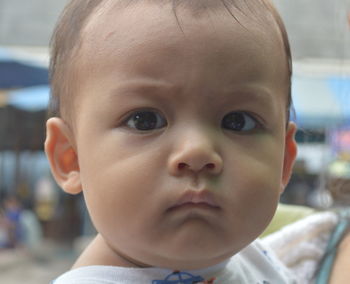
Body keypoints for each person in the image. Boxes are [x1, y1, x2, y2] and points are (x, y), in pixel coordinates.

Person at [45, 0, 298, 283]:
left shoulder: (265, 264)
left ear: (284, 162)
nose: (197, 151)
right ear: (71, 158)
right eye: (144, 120)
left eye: (238, 121)